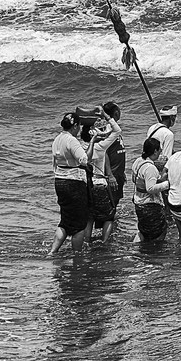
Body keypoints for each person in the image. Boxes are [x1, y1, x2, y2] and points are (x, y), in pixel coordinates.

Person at [47, 109, 92, 255]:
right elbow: (84, 160)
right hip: (74, 182)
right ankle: (77, 254)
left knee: (66, 220)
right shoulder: (71, 140)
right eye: (78, 126)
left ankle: (53, 251)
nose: (79, 129)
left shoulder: (57, 139)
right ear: (75, 126)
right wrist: (93, 143)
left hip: (59, 180)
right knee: (79, 223)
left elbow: (54, 163)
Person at [84, 109, 121, 244]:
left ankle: (86, 243)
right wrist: (106, 116)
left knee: (89, 217)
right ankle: (104, 243)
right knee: (109, 217)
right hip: (100, 183)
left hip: (86, 185)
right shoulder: (100, 147)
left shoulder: (80, 146)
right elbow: (117, 131)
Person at [131, 137, 170, 243]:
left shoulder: (138, 161)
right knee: (159, 232)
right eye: (159, 150)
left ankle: (136, 249)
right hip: (150, 206)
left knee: (144, 230)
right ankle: (152, 254)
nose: (161, 152)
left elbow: (134, 179)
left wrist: (157, 180)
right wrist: (167, 184)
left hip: (139, 203)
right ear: (155, 151)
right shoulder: (150, 168)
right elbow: (150, 188)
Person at [103, 102, 130, 203]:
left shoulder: (114, 129)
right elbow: (103, 152)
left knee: (116, 199)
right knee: (111, 201)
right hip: (112, 173)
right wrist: (110, 175)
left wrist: (121, 172)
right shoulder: (108, 130)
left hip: (118, 172)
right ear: (116, 113)